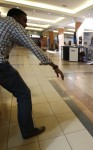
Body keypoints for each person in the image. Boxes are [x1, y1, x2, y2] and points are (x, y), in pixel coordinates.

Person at [0, 8, 64, 139]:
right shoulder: (14, 25)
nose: (25, 24)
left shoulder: (2, 22)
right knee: (23, 94)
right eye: (24, 20)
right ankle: (28, 130)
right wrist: (54, 66)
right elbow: (33, 47)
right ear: (16, 17)